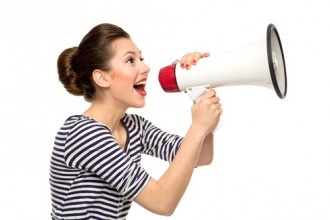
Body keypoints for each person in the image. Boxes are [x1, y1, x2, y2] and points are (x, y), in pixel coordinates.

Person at [50, 23, 222, 220]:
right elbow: (162, 202)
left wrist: (200, 91)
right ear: (102, 77)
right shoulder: (83, 133)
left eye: (141, 58)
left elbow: (201, 156)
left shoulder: (134, 127)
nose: (145, 67)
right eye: (130, 60)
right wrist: (198, 127)